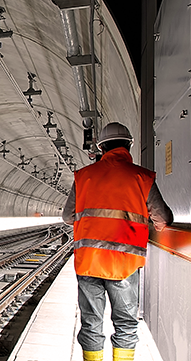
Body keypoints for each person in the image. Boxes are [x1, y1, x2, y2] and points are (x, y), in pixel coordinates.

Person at [62, 122, 173, 361]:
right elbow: (162, 218)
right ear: (128, 146)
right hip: (124, 264)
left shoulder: (84, 177)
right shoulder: (142, 178)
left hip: (89, 262)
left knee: (91, 322)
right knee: (125, 323)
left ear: (102, 148)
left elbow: (67, 217)